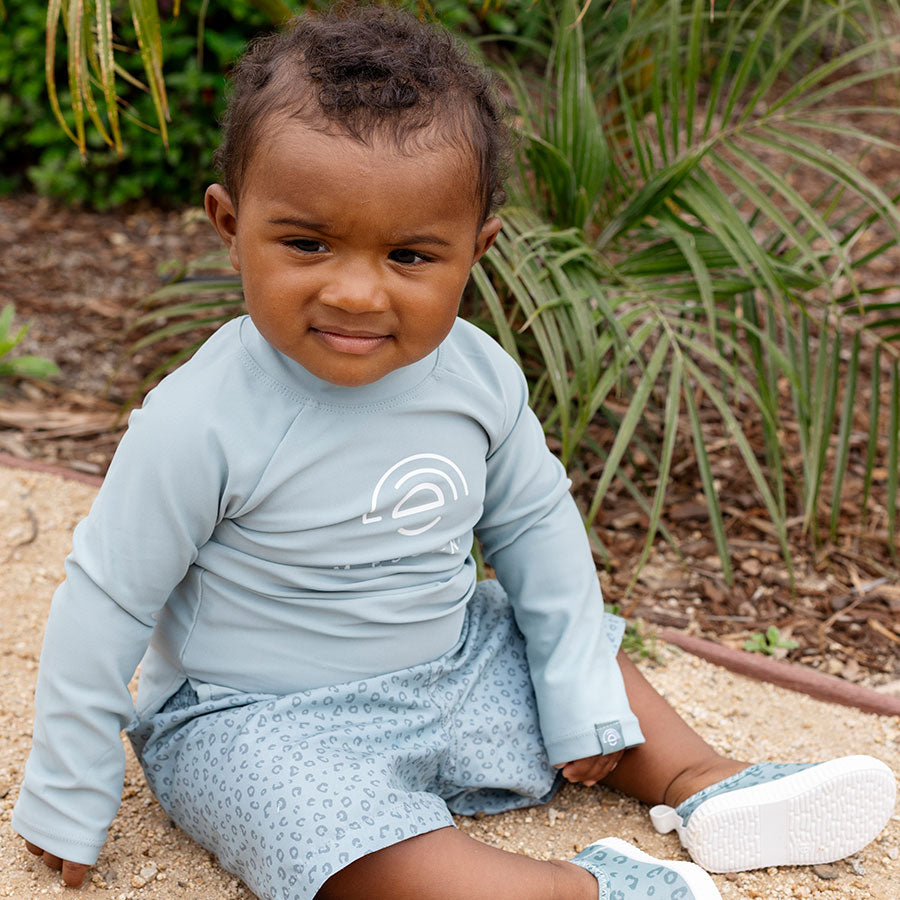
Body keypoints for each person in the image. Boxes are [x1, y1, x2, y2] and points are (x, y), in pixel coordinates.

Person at [13, 5, 896, 900]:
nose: (356, 293)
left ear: (475, 252)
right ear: (229, 224)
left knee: (555, 636)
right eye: (307, 243)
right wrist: (68, 784)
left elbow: (538, 531)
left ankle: (700, 783)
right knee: (328, 840)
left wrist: (579, 689)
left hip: (452, 667)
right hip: (255, 717)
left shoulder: (478, 379)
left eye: (409, 255)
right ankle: (576, 888)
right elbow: (106, 602)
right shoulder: (197, 419)